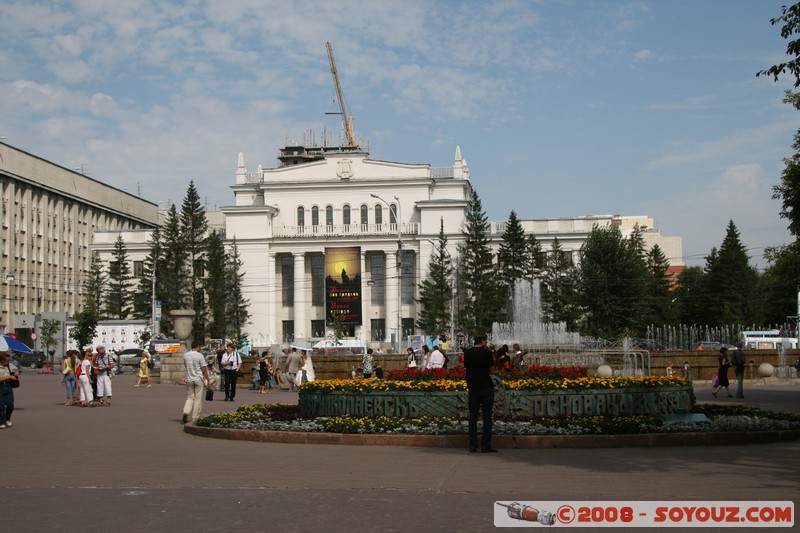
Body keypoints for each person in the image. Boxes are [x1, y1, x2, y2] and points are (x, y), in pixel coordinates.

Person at [464, 333, 496, 453]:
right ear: (482, 341)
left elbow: (467, 367)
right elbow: (492, 370)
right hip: (486, 387)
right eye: (486, 341)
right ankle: (485, 445)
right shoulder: (486, 353)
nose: (486, 343)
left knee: (473, 417)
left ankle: (473, 445)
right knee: (487, 416)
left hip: (473, 388)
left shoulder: (467, 353)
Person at [182, 340, 210, 423]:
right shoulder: (200, 356)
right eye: (199, 347)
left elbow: (186, 366)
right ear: (197, 346)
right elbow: (204, 369)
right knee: (198, 399)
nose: (200, 348)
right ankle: (195, 417)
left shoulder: (185, 355)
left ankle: (186, 412)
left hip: (189, 379)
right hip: (198, 379)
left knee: (190, 397)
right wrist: (208, 380)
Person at [0, 352, 19, 429]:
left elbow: (16, 369)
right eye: (7, 361)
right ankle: (2, 422)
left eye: (9, 360)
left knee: (10, 404)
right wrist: (10, 377)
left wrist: (17, 372)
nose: (8, 362)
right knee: (0, 406)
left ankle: (7, 419)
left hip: (8, 387)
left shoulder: (9, 365)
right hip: (0, 386)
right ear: (2, 361)